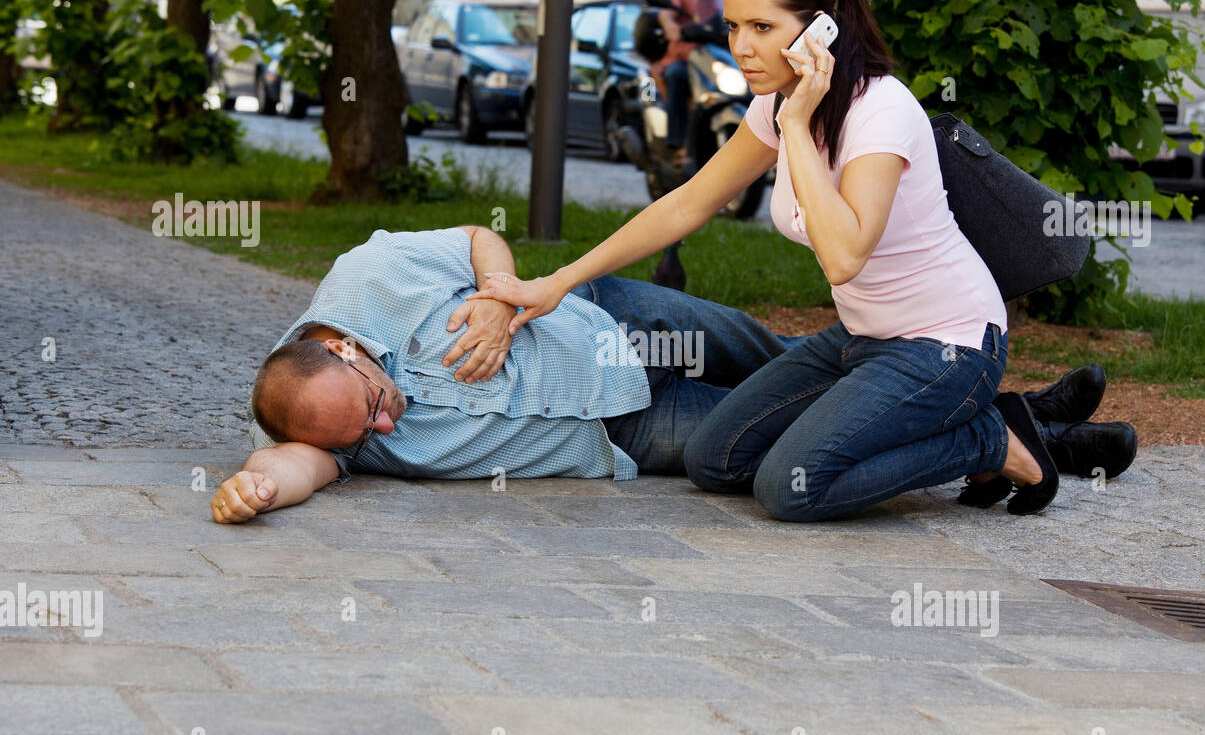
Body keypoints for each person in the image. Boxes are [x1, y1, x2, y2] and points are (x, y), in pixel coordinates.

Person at [466, 0, 1138, 522]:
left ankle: (993, 441)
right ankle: (991, 428)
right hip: (861, 339)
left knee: (793, 488)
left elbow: (844, 255)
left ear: (819, 29)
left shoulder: (879, 112)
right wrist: (557, 282)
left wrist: (794, 127)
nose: (743, 47)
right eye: (733, 28)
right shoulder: (780, 100)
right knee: (714, 459)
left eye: (762, 27)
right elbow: (689, 202)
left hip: (946, 343)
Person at [209, 224, 1116, 524]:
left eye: (371, 404)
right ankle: (1041, 436)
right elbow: (299, 465)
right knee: (808, 435)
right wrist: (253, 488)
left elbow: (482, 238)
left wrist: (493, 293)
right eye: (360, 439)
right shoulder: (311, 426)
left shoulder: (365, 279)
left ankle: (1017, 417)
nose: (383, 430)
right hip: (623, 434)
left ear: (344, 347)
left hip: (613, 324)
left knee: (810, 366)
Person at [653, 0, 726, 165]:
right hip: (686, 58)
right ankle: (678, 143)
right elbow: (666, 13)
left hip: (715, 58)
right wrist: (671, 25)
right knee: (676, 74)